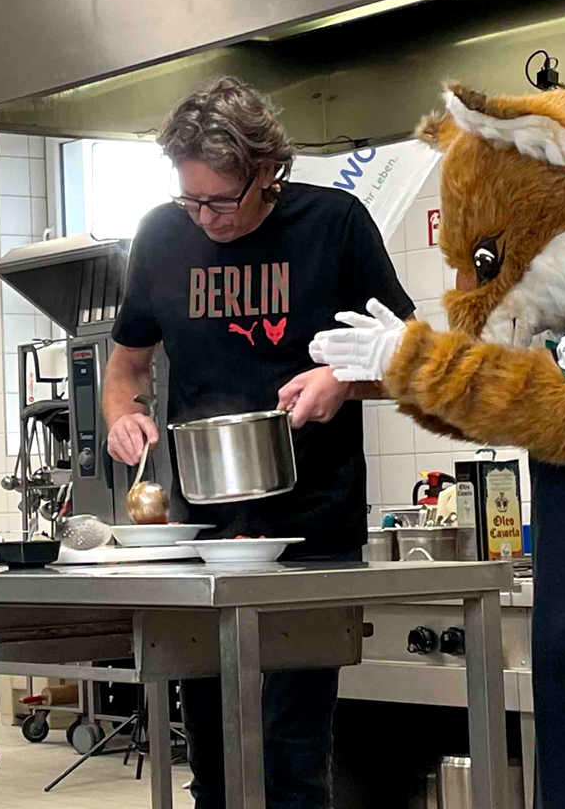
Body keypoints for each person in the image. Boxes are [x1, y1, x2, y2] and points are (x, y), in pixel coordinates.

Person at [104, 76, 414, 809]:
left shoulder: (334, 224)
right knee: (210, 758)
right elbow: (128, 366)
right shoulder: (160, 233)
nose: (204, 217)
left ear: (267, 170)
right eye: (191, 200)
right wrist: (126, 413)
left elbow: (412, 360)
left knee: (291, 755)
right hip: (201, 530)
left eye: (221, 200)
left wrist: (343, 380)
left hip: (313, 527)